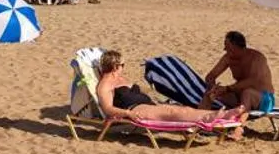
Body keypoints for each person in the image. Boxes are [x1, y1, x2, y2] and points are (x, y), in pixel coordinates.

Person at [96, 51, 241, 126]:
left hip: (147, 105)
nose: (123, 67)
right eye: (123, 65)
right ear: (115, 67)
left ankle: (218, 115)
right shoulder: (105, 85)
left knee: (184, 109)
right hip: (135, 110)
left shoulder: (120, 79)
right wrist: (128, 113)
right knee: (173, 111)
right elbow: (107, 108)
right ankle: (216, 117)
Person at [201, 30, 277, 115]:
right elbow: (210, 76)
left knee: (247, 93)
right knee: (210, 93)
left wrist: (227, 88)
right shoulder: (228, 58)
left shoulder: (256, 58)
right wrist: (213, 87)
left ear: (238, 47)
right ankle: (199, 121)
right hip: (240, 97)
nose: (225, 49)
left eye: (228, 47)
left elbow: (253, 81)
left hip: (264, 99)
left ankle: (239, 126)